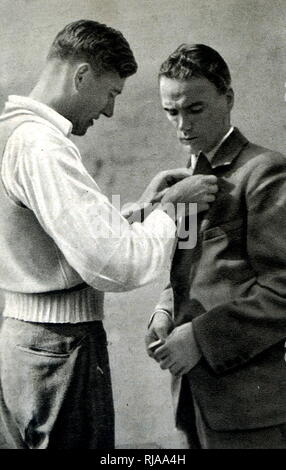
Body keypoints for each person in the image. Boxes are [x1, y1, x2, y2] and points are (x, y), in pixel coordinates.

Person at [0, 23, 218, 449]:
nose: (109, 111)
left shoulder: (10, 131)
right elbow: (113, 266)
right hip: (59, 350)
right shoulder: (41, 146)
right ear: (81, 76)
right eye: (111, 93)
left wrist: (144, 209)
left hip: (22, 345)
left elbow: (53, 235)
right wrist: (173, 212)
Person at [145, 43, 286, 449]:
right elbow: (187, 266)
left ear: (228, 98)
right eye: (171, 112)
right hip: (195, 396)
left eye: (195, 109)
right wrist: (164, 309)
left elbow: (282, 290)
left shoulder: (264, 170)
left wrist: (200, 338)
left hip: (249, 405)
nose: (181, 126)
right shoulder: (186, 180)